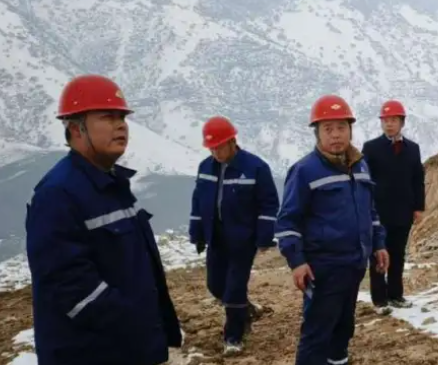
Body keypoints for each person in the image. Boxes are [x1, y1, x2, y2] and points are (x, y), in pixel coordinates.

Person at [25, 75, 183, 365]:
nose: (120, 125)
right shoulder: (57, 194)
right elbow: (69, 286)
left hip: (132, 347)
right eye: (107, 117)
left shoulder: (113, 185)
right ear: (76, 128)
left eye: (122, 117)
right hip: (94, 353)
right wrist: (133, 324)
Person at [275, 94, 390, 365]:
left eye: (341, 127)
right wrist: (297, 261)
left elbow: (370, 211)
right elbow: (287, 222)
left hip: (355, 264)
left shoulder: (360, 165)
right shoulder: (305, 170)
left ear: (350, 129)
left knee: (343, 328)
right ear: (317, 133)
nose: (336, 135)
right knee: (317, 333)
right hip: (323, 268)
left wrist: (378, 244)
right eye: (328, 129)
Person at [188, 115, 280, 354]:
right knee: (215, 286)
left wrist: (264, 236)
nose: (215, 152)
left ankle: (234, 337)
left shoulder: (256, 168)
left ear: (232, 141)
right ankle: (245, 310)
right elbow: (198, 202)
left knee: (234, 289)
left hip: (243, 239)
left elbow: (269, 203)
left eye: (219, 146)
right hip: (216, 238)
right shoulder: (205, 167)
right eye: (211, 148)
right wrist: (197, 233)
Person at [362, 99, 425, 312]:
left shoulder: (413, 149)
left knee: (398, 254)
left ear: (402, 122)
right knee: (379, 254)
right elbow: (365, 180)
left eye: (393, 120)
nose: (389, 124)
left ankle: (396, 295)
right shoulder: (371, 148)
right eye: (385, 120)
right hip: (378, 211)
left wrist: (418, 207)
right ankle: (379, 300)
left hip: (404, 211)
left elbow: (418, 179)